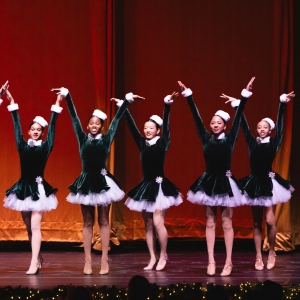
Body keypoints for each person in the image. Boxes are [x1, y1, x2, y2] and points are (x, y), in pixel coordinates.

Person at [51, 88, 143, 275]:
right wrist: (68, 96)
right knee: (87, 222)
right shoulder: (82, 138)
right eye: (91, 123)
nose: (94, 125)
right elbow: (74, 117)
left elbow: (117, 120)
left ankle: (104, 260)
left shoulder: (107, 138)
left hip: (103, 183)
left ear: (101, 126)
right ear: (87, 126)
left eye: (97, 123)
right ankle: (86, 261)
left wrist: (125, 101)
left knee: (103, 220)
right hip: (85, 182)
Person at [178, 78, 255, 276]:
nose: (214, 125)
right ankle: (211, 261)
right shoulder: (205, 137)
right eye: (212, 122)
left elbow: (238, 117)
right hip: (208, 182)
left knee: (227, 222)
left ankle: (228, 262)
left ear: (224, 125)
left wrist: (244, 96)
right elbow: (196, 117)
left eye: (218, 123)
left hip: (227, 182)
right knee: (210, 221)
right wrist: (189, 97)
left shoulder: (230, 138)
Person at [222, 89, 295, 270]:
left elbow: (281, 121)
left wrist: (282, 104)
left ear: (270, 130)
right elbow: (243, 125)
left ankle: (271, 251)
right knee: (256, 222)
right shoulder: (252, 142)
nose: (262, 129)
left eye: (265, 127)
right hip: (253, 183)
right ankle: (258, 257)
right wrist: (237, 106)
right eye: (259, 127)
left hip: (268, 182)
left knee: (269, 221)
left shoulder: (274, 142)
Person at [111, 92, 183, 271]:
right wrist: (124, 107)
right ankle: (152, 257)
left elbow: (167, 126)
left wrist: (167, 106)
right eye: (146, 128)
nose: (147, 130)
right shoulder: (142, 143)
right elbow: (131, 126)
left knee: (159, 222)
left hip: (160, 187)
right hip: (145, 187)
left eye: (151, 128)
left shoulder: (162, 142)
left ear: (157, 130)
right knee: (148, 224)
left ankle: (164, 255)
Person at [4, 87, 62, 275]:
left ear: (42, 133)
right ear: (29, 131)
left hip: (38, 190)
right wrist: (11, 100)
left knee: (36, 226)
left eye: (39, 130)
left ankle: (33, 263)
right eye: (33, 129)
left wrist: (57, 105)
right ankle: (37, 256)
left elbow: (52, 127)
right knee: (29, 227)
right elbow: (16, 124)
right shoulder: (22, 145)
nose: (35, 132)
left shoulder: (45, 147)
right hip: (22, 189)